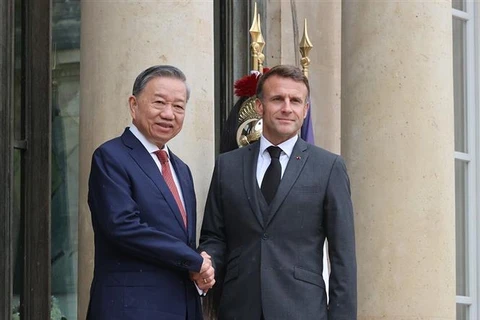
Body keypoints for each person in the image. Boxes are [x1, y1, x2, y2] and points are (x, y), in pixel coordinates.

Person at [199, 65, 356, 320]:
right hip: (238, 309)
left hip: (303, 310)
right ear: (260, 107)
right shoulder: (227, 165)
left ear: (305, 110)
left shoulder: (329, 167)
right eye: (277, 99)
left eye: (295, 101)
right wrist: (206, 263)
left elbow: (343, 258)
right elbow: (214, 237)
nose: (286, 108)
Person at [87, 65, 215, 320]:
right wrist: (193, 260)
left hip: (183, 308)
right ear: (134, 105)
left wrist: (199, 266)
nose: (169, 114)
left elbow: (181, 240)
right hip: (131, 308)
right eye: (159, 103)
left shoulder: (181, 169)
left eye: (178, 106)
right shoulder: (111, 156)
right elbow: (123, 226)